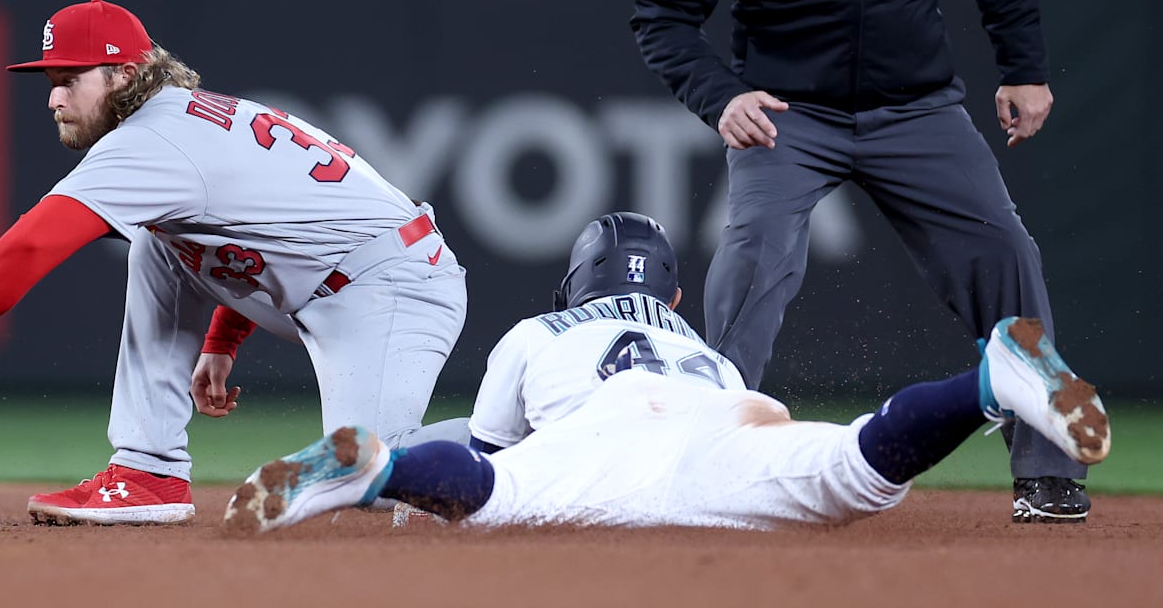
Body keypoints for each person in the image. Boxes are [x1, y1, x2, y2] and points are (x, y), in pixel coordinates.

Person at [628, 0, 1089, 522]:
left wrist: (1024, 66)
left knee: (1004, 251)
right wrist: (721, 98)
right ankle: (695, 459)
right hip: (790, 116)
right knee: (752, 256)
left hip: (917, 109)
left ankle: (1048, 471)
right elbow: (660, 15)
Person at [0, 0, 469, 525]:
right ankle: (148, 469)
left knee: (376, 478)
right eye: (50, 81)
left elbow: (32, 244)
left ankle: (527, 444)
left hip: (394, 287)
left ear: (123, 74)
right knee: (154, 239)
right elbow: (264, 230)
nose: (53, 98)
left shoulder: (151, 140)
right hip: (337, 280)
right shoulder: (186, 119)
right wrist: (222, 341)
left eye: (69, 80)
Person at [222, 212, 1109, 534]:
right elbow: (742, 409)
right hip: (725, 412)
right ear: (674, 296)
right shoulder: (707, 348)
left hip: (605, 427)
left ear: (575, 286)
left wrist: (416, 473)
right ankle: (988, 381)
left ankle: (371, 463)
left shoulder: (538, 329)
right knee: (851, 468)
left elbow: (492, 450)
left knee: (492, 498)